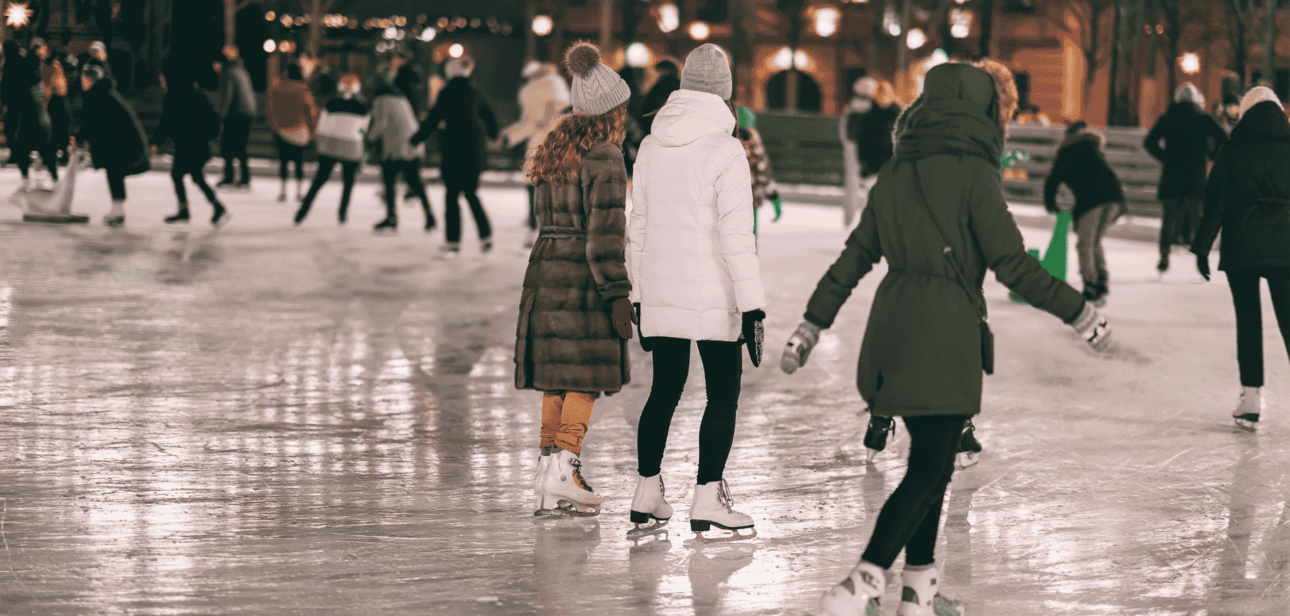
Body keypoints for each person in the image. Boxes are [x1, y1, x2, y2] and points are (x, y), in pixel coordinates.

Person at [780, 63, 1112, 615]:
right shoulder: (975, 174)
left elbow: (854, 258)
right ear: (983, 114)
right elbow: (1011, 265)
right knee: (931, 468)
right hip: (945, 337)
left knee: (929, 459)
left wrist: (812, 323)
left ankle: (919, 588)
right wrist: (1080, 311)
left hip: (891, 334)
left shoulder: (894, 172)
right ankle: (861, 583)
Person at [627, 44, 766, 543]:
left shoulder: (649, 145)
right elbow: (737, 236)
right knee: (722, 397)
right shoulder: (727, 150)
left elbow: (636, 228)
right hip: (715, 298)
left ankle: (646, 493)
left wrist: (638, 298)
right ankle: (707, 499)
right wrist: (752, 306)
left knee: (664, 390)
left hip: (662, 292)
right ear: (725, 93)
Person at [518, 42, 633, 518]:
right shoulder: (605, 157)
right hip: (583, 279)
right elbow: (604, 236)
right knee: (584, 377)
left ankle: (548, 473)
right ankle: (566, 464)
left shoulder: (555, 147)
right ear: (610, 112)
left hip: (546, 270)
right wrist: (618, 294)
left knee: (556, 379)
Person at [1191, 86, 1290, 432]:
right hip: (1285, 249)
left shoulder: (1232, 149)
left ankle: (1251, 400)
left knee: (1248, 322)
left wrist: (1202, 247)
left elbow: (1215, 202)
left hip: (1242, 247)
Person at [411, 57, 498, 256]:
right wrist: (494, 135)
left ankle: (452, 242)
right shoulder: (475, 93)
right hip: (474, 153)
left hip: (453, 152)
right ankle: (486, 236)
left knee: (451, 197)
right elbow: (489, 117)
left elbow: (432, 120)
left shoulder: (447, 93)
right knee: (471, 194)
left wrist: (415, 140)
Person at [1144, 82, 1228, 273]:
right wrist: (1211, 155)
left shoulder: (1167, 118)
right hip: (1195, 176)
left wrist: (1166, 157)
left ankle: (1164, 257)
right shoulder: (1204, 118)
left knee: (1168, 219)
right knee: (1198, 219)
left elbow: (1149, 142)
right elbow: (1223, 138)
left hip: (1172, 175)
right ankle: (1201, 260)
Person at [1043, 120, 1127, 306]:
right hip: (1115, 198)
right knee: (1094, 241)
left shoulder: (1066, 152)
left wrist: (1051, 204)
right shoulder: (1092, 146)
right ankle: (1101, 282)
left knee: (1085, 244)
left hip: (1092, 201)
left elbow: (1052, 180)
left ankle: (1091, 286)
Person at [499, 60, 571, 248]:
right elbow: (532, 121)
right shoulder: (551, 89)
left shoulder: (543, 90)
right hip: (550, 144)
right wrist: (510, 136)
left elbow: (533, 121)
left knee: (539, 188)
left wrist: (510, 136)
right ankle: (544, 229)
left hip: (549, 145)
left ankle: (538, 229)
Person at [152, 60, 226, 226]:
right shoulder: (197, 96)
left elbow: (166, 123)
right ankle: (215, 207)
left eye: (163, 78)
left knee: (179, 175)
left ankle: (188, 211)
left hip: (188, 147)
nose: (161, 81)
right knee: (196, 177)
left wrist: (155, 142)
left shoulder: (172, 98)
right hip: (198, 146)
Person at [77, 63, 150, 226]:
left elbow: (92, 122)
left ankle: (118, 210)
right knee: (114, 172)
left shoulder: (100, 96)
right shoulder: (100, 93)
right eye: (83, 79)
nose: (83, 82)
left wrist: (81, 141)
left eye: (86, 79)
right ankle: (118, 209)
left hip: (122, 143)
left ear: (93, 80)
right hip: (117, 142)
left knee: (114, 172)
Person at [295, 74, 369, 226]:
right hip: (352, 147)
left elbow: (322, 127)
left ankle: (303, 210)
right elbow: (364, 130)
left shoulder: (330, 104)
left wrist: (320, 144)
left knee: (319, 179)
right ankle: (342, 212)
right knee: (348, 182)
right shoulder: (364, 108)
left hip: (331, 146)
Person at [367, 75, 435, 232]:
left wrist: (368, 137)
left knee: (389, 182)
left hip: (397, 147)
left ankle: (391, 218)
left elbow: (381, 123)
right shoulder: (401, 99)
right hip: (413, 144)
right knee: (416, 182)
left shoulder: (381, 100)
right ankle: (430, 216)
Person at [4, 41, 57, 190]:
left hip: (32, 120)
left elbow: (13, 94)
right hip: (38, 119)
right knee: (43, 151)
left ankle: (31, 179)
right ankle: (52, 179)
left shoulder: (25, 76)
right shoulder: (34, 77)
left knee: (24, 150)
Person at [266, 63, 318, 203]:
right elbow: (309, 111)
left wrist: (274, 126)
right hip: (299, 130)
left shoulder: (277, 88)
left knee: (283, 162)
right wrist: (313, 130)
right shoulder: (303, 90)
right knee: (298, 162)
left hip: (281, 129)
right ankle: (299, 191)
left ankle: (282, 191)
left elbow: (271, 109)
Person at [735, 106, 782, 238]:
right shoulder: (751, 140)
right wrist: (774, 197)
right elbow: (762, 173)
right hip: (748, 201)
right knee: (747, 242)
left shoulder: (724, 139)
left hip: (727, 201)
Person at [216, 45, 257, 189]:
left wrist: (222, 114)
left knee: (226, 146)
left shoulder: (229, 72)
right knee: (240, 147)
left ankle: (230, 177)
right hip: (247, 112)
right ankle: (244, 177)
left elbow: (228, 95)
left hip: (237, 113)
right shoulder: (241, 70)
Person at [31, 39, 70, 167]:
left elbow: (60, 83)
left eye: (44, 50)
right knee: (51, 129)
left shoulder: (54, 64)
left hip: (58, 98)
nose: (43, 52)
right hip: (49, 100)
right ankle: (50, 154)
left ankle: (62, 151)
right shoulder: (40, 65)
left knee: (61, 127)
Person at [639, 58, 680, 138]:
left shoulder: (663, 85)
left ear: (665, 71)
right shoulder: (678, 85)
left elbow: (651, 105)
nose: (655, 74)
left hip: (655, 125)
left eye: (657, 71)